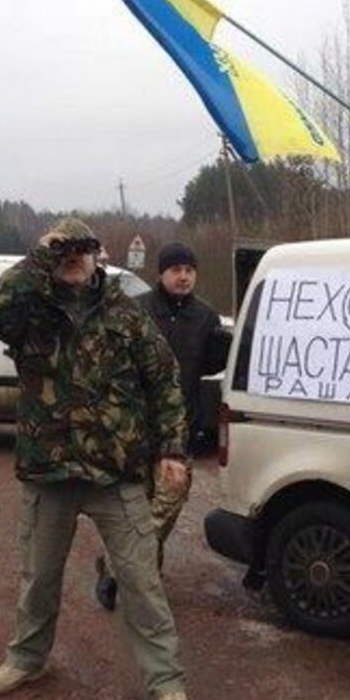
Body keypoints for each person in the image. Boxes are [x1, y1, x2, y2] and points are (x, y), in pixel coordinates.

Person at [0, 217, 195, 700]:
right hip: (49, 469)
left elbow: (165, 383)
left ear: (99, 257)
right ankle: (26, 660)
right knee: (39, 576)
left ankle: (166, 684)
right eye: (63, 251)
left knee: (141, 579)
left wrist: (171, 449)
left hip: (116, 472)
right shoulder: (30, 313)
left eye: (82, 250)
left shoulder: (127, 314)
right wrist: (39, 257)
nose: (73, 258)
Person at [91, 242, 231, 612]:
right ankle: (143, 581)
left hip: (180, 429)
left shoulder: (206, 317)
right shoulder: (137, 310)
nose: (183, 277)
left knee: (168, 504)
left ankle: (114, 566)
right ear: (161, 273)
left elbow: (209, 368)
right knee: (138, 509)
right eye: (176, 270)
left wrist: (224, 348)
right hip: (136, 428)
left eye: (189, 270)